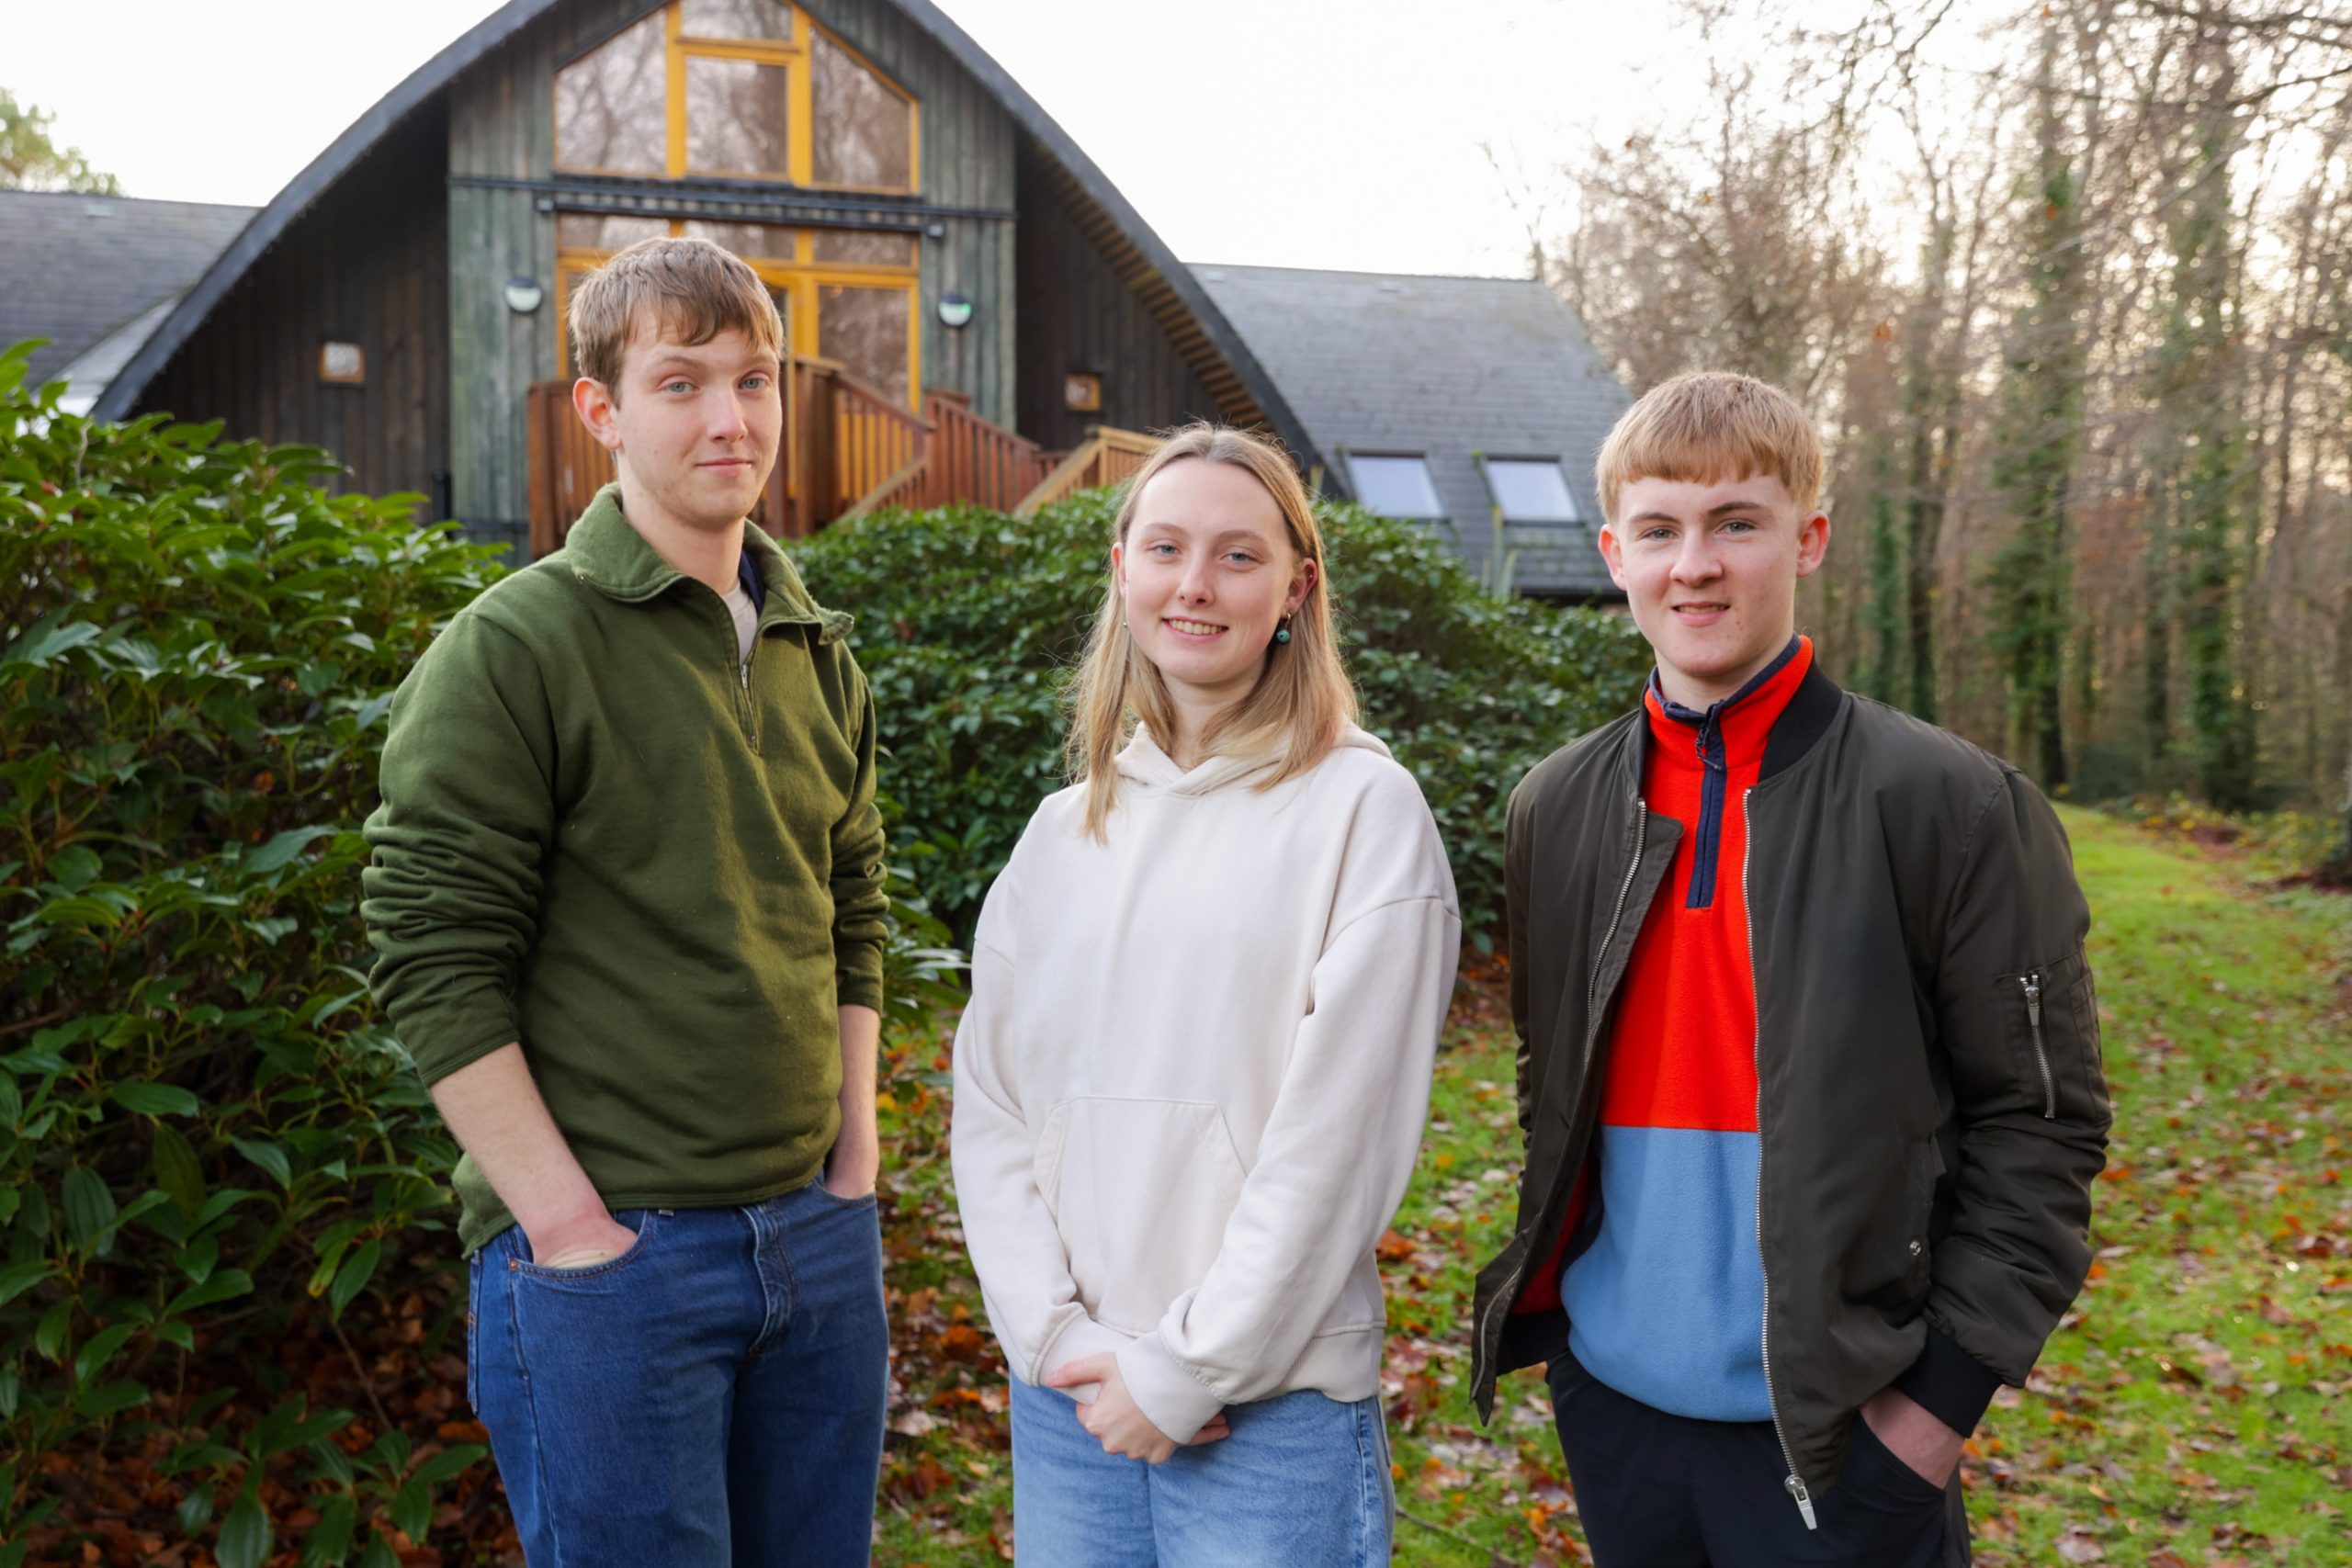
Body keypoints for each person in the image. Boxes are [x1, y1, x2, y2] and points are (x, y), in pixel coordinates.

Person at [1466, 372, 2109, 1566]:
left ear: (1807, 537)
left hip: (1849, 1434)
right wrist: (1573, 1365)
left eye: (1736, 523)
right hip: (1615, 1414)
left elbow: (2043, 1121)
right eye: (1659, 529)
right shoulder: (1554, 806)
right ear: (1614, 554)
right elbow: (1548, 1085)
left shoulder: (1952, 803)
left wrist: (1934, 1411)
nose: (1694, 566)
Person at [360, 236, 890, 1566]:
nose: (731, 419)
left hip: (817, 1244)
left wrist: (856, 1155)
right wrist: (566, 1226)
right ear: (600, 408)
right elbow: (431, 950)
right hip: (616, 1262)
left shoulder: (816, 650)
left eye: (754, 379)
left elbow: (853, 900)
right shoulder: (514, 647)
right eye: (681, 383)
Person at [950, 423, 1461, 1567]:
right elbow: (989, 1107)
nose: (1195, 584)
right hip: (1072, 1400)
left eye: (1238, 556)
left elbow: (1337, 1147)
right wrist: (1051, 1336)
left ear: (1296, 589)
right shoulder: (1058, 834)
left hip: (1269, 1413)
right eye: (1166, 547)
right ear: (1121, 568)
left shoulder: (1364, 815)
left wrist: (1186, 1370)